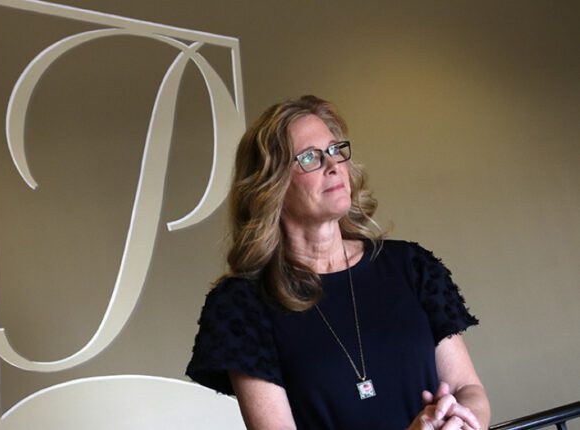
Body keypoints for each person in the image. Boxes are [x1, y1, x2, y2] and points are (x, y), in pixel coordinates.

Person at [186, 95, 490, 430]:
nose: (332, 165)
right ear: (270, 186)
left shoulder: (411, 266)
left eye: (334, 150)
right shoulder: (240, 305)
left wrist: (459, 420)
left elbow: (466, 388)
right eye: (310, 157)